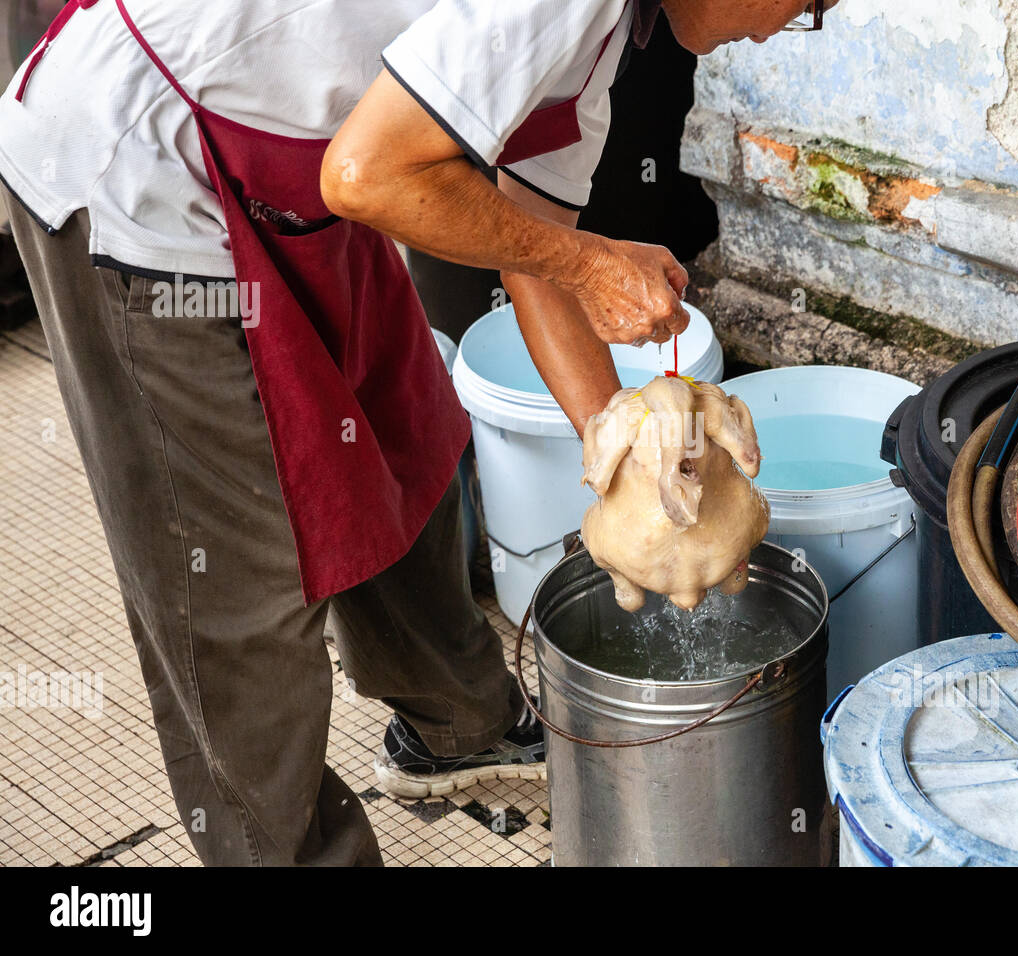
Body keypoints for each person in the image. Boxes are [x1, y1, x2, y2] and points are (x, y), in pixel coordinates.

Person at [0, 0, 830, 866]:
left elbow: (529, 251)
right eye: (807, 4)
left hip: (297, 188)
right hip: (142, 170)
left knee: (403, 446)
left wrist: (620, 446)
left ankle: (459, 730)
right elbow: (367, 176)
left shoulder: (604, 47)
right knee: (236, 582)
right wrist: (588, 264)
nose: (786, 28)